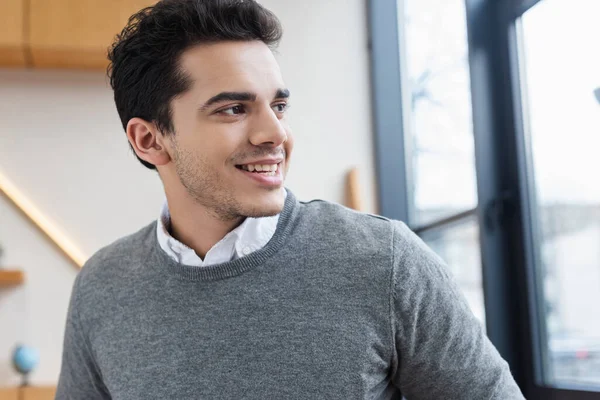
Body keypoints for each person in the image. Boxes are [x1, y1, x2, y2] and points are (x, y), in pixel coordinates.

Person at [56, 0, 525, 399]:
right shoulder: (101, 286)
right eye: (234, 109)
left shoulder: (385, 262)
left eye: (278, 106)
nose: (275, 133)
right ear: (150, 140)